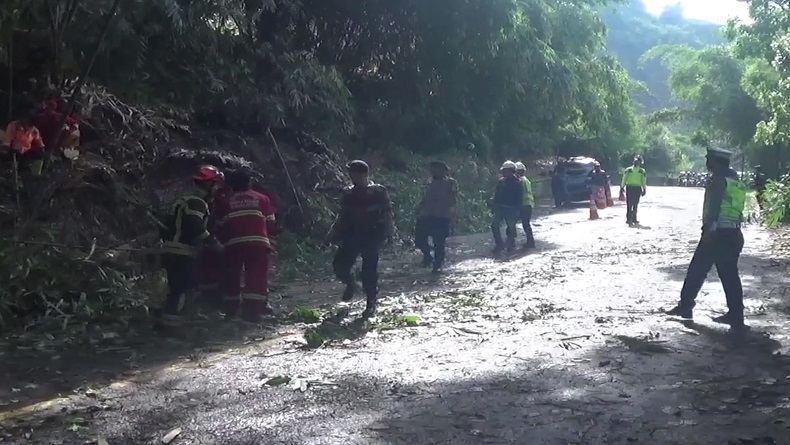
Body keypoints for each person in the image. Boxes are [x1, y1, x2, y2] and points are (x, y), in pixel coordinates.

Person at [665, 148, 747, 329]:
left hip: (717, 233)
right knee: (730, 276)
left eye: (708, 159)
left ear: (716, 161)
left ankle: (686, 306)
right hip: (733, 232)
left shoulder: (718, 179)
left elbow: (715, 207)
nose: (706, 161)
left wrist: (709, 230)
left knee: (697, 270)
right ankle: (736, 314)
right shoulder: (736, 181)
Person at [157, 165, 224, 328]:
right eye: (215, 184)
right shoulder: (196, 202)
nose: (217, 189)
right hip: (181, 251)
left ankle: (170, 322)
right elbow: (194, 227)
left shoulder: (184, 200)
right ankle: (172, 327)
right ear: (209, 184)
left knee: (179, 288)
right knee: (181, 289)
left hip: (171, 249)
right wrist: (215, 244)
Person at [329, 160, 395, 318]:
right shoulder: (348, 193)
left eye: (354, 173)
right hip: (352, 234)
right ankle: (351, 283)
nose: (351, 176)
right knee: (339, 265)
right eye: (350, 173)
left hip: (372, 235)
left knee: (369, 271)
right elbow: (343, 215)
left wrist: (389, 232)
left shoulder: (378, 191)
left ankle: (371, 303)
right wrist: (334, 232)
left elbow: (387, 213)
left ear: (363, 174)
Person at [213, 168, 277, 322]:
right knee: (257, 276)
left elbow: (218, 225)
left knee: (232, 276)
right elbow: (271, 223)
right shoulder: (262, 198)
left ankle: (231, 311)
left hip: (233, 244)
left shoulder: (225, 201)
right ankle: (252, 312)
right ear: (249, 182)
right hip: (258, 243)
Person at [414, 160, 458, 273]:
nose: (433, 171)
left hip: (442, 216)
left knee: (439, 242)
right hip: (427, 214)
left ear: (443, 170)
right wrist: (419, 207)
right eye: (432, 168)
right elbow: (426, 196)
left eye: (436, 168)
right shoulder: (429, 182)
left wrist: (452, 216)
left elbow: (453, 198)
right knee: (419, 239)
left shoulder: (450, 182)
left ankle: (437, 264)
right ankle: (428, 255)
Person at [491, 161, 523, 255]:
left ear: (511, 171)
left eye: (505, 171)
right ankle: (499, 244)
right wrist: (494, 205)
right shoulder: (501, 182)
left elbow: (519, 198)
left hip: (512, 208)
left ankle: (511, 244)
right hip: (500, 207)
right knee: (494, 225)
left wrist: (518, 210)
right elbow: (497, 194)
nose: (503, 173)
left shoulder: (518, 182)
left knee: (511, 227)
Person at [514, 161, 536, 249]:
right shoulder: (526, 180)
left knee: (522, 223)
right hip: (528, 204)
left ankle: (530, 242)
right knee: (526, 224)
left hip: (524, 204)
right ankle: (530, 241)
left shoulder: (521, 181)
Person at [621, 156, 647, 225]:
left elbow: (643, 181)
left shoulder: (642, 171)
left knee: (634, 204)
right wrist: (622, 187)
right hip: (631, 188)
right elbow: (624, 179)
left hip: (635, 188)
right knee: (631, 204)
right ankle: (630, 219)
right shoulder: (628, 170)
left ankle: (632, 219)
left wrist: (644, 189)